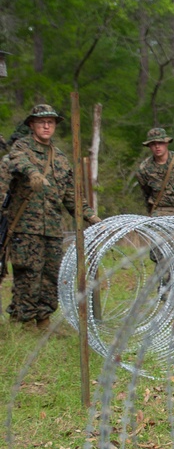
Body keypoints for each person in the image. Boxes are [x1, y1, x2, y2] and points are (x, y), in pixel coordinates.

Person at [0, 102, 98, 328]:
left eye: (50, 122)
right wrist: (33, 173)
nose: (46, 125)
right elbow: (18, 162)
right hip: (26, 227)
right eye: (41, 122)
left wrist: (90, 217)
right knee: (28, 275)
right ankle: (23, 321)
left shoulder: (61, 158)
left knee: (51, 274)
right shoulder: (22, 148)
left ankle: (43, 319)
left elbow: (72, 196)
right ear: (32, 125)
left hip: (52, 227)